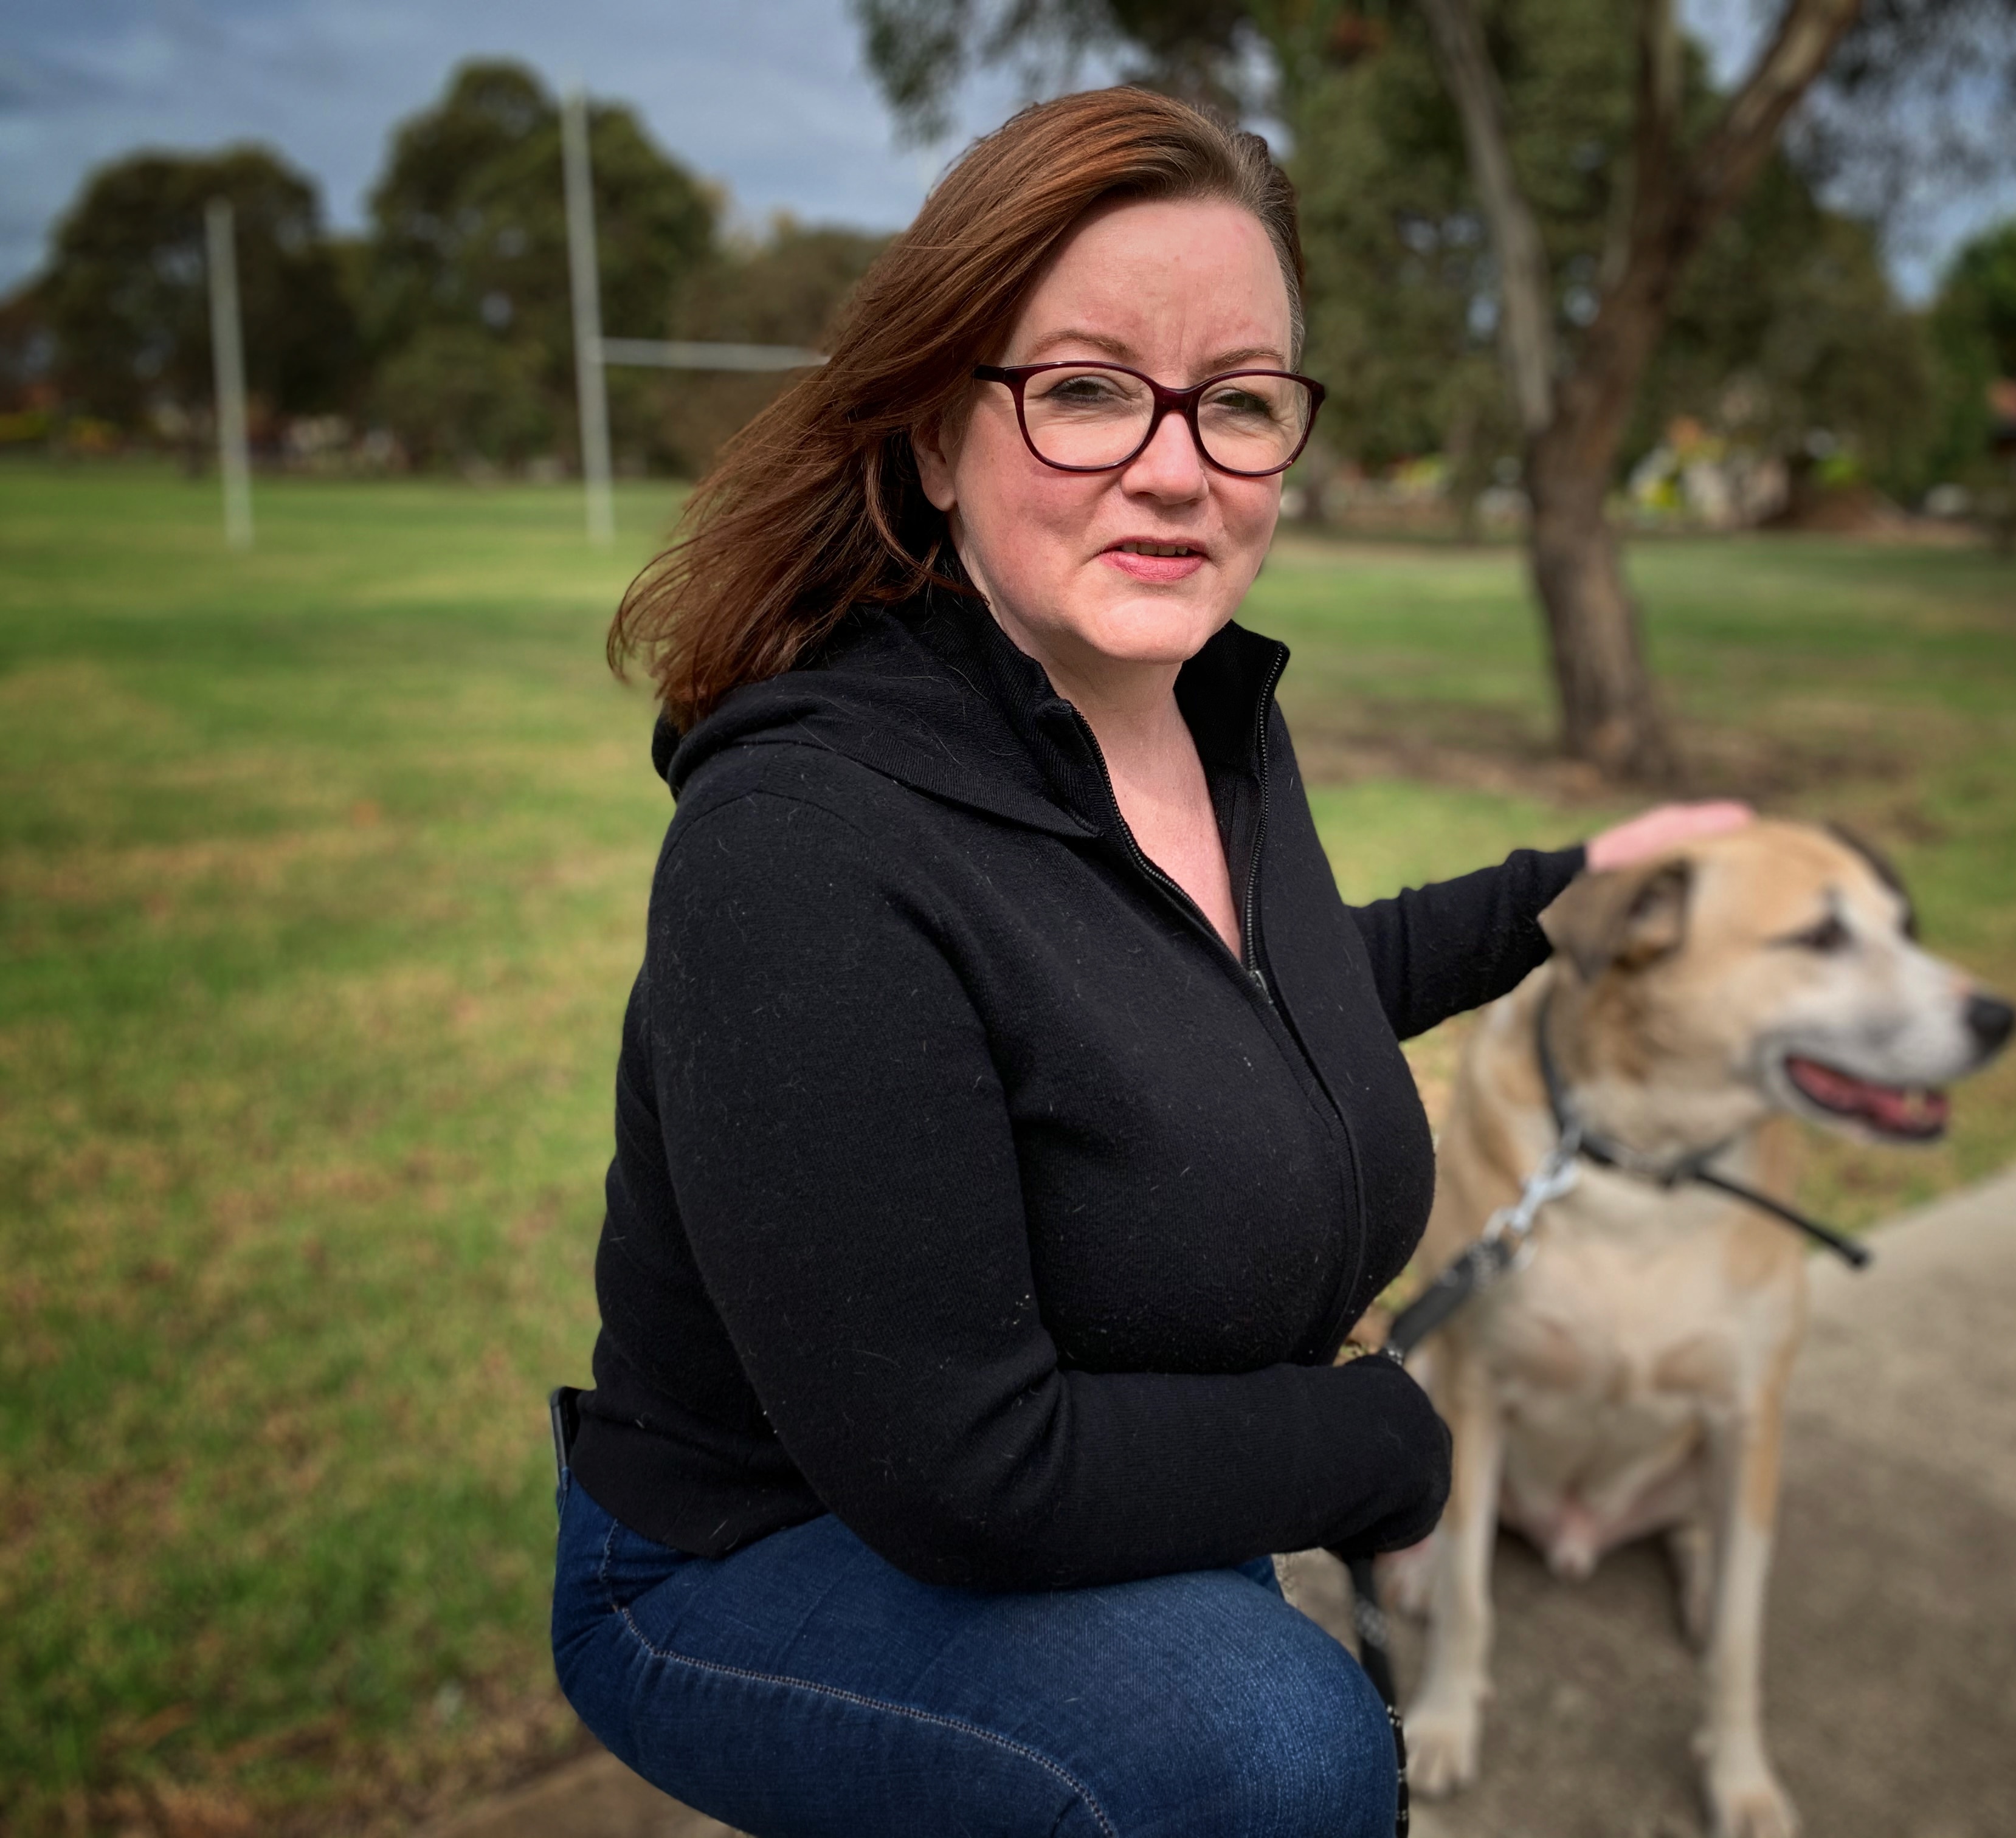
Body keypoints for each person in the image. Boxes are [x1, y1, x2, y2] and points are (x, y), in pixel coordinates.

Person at [550, 87, 1747, 1838]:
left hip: (1110, 1481)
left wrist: (1561, 896)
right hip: (759, 1551)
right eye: (1090, 388)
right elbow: (971, 1472)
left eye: (1240, 400)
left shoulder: (1203, 712)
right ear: (935, 433)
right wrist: (1375, 1446)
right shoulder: (805, 844)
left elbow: (1233, 1007)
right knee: (1269, 1747)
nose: (1177, 466)